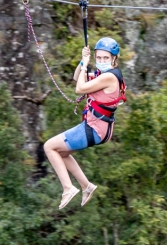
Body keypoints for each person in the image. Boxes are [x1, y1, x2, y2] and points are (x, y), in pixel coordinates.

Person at [43, 37, 126, 209]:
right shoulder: (101, 75)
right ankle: (86, 186)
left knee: (49, 147)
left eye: (106, 58)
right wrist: (83, 61)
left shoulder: (110, 77)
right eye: (99, 58)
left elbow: (79, 88)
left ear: (113, 59)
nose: (101, 61)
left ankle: (68, 188)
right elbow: (76, 77)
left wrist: (87, 64)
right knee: (62, 153)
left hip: (95, 128)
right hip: (98, 128)